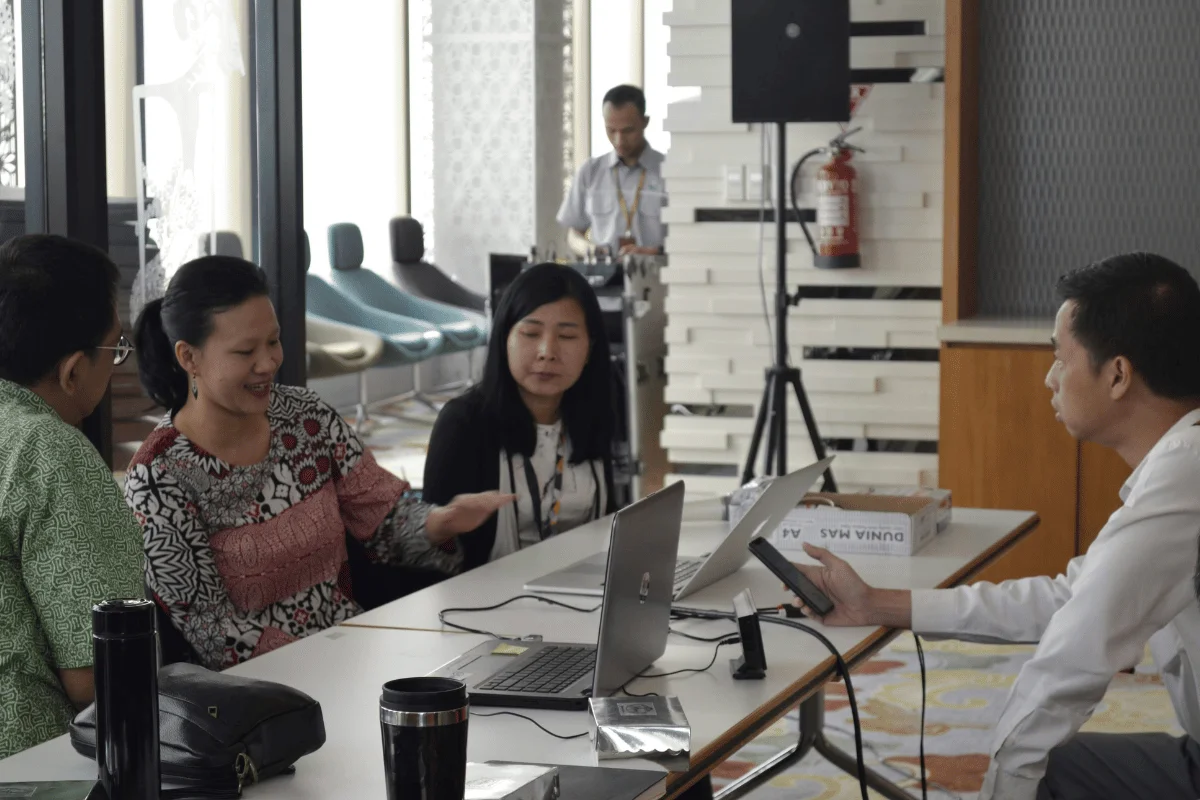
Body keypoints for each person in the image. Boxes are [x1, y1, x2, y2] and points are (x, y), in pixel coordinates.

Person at [789, 252, 1200, 800]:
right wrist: (874, 604)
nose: (1049, 378)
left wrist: (1003, 785)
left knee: (1036, 767)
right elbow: (1071, 599)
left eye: (1061, 357)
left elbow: (1073, 656)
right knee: (1060, 767)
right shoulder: (1183, 462)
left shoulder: (1185, 474)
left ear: (1118, 374)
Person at [126, 256, 511, 670]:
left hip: (356, 652)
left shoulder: (306, 418)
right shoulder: (158, 478)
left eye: (273, 342)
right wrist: (320, 666)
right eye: (245, 351)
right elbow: (212, 629)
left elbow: (380, 517)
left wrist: (441, 520)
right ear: (189, 357)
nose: (268, 363)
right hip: (262, 693)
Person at [0, 234, 145, 759]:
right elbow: (99, 672)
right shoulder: (48, 452)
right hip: (32, 765)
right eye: (114, 349)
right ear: (72, 369)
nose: (117, 364)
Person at [423, 262, 617, 570]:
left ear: (589, 348)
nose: (547, 352)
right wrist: (445, 525)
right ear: (504, 340)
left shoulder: (597, 413)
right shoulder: (464, 423)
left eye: (566, 337)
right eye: (530, 333)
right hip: (487, 601)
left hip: (583, 593)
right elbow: (430, 555)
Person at [558, 84, 668, 257]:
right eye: (611, 130)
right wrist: (592, 250)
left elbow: (690, 238)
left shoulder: (669, 171)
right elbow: (573, 234)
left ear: (645, 122)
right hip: (602, 277)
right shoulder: (590, 172)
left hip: (654, 275)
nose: (619, 140)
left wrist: (654, 252)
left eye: (628, 131)